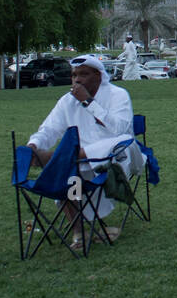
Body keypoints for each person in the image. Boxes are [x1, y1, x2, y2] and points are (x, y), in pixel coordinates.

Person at [25, 54, 138, 247]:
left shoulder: (117, 95)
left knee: (118, 141)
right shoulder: (67, 101)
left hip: (117, 156)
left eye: (83, 74)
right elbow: (49, 129)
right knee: (69, 180)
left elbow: (120, 129)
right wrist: (33, 145)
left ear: (98, 76)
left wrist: (88, 102)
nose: (77, 79)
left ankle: (60, 157)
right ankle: (79, 232)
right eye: (74, 75)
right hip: (79, 166)